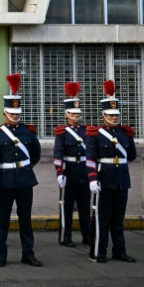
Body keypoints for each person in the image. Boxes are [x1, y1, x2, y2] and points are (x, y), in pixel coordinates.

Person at [0, 73, 42, 267]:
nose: (15, 115)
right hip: (4, 181)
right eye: (12, 112)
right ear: (5, 114)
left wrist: (25, 168)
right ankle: (1, 254)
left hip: (25, 179)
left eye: (17, 112)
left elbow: (35, 154)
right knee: (3, 220)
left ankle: (28, 253)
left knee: (26, 219)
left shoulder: (28, 132)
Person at [85, 80, 137, 264]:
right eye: (111, 115)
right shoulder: (95, 134)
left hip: (121, 179)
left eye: (116, 115)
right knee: (102, 218)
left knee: (118, 219)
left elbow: (132, 155)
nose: (115, 118)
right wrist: (92, 179)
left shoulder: (125, 133)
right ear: (103, 115)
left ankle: (119, 251)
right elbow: (90, 158)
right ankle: (99, 252)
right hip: (104, 179)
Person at [53, 81, 91, 248]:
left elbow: (91, 153)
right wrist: (60, 173)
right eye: (73, 114)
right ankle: (65, 236)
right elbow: (58, 154)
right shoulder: (62, 132)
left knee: (85, 207)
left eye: (78, 113)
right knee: (66, 207)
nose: (76, 116)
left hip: (84, 172)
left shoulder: (87, 130)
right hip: (68, 173)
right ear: (66, 114)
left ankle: (87, 235)